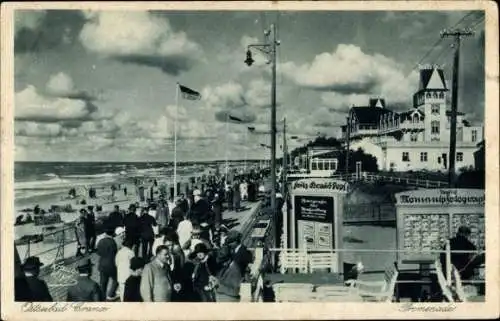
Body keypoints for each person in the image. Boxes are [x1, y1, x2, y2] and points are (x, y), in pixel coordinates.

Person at [215, 231, 253, 302]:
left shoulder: (243, 252)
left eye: (230, 243)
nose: (229, 245)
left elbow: (246, 268)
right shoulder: (234, 250)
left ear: (236, 241)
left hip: (241, 283)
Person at [96, 225, 119, 301]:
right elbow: (114, 254)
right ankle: (111, 294)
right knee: (116, 279)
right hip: (111, 265)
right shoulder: (113, 242)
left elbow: (98, 252)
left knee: (103, 283)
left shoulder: (100, 241)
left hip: (102, 265)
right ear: (113, 234)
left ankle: (102, 298)